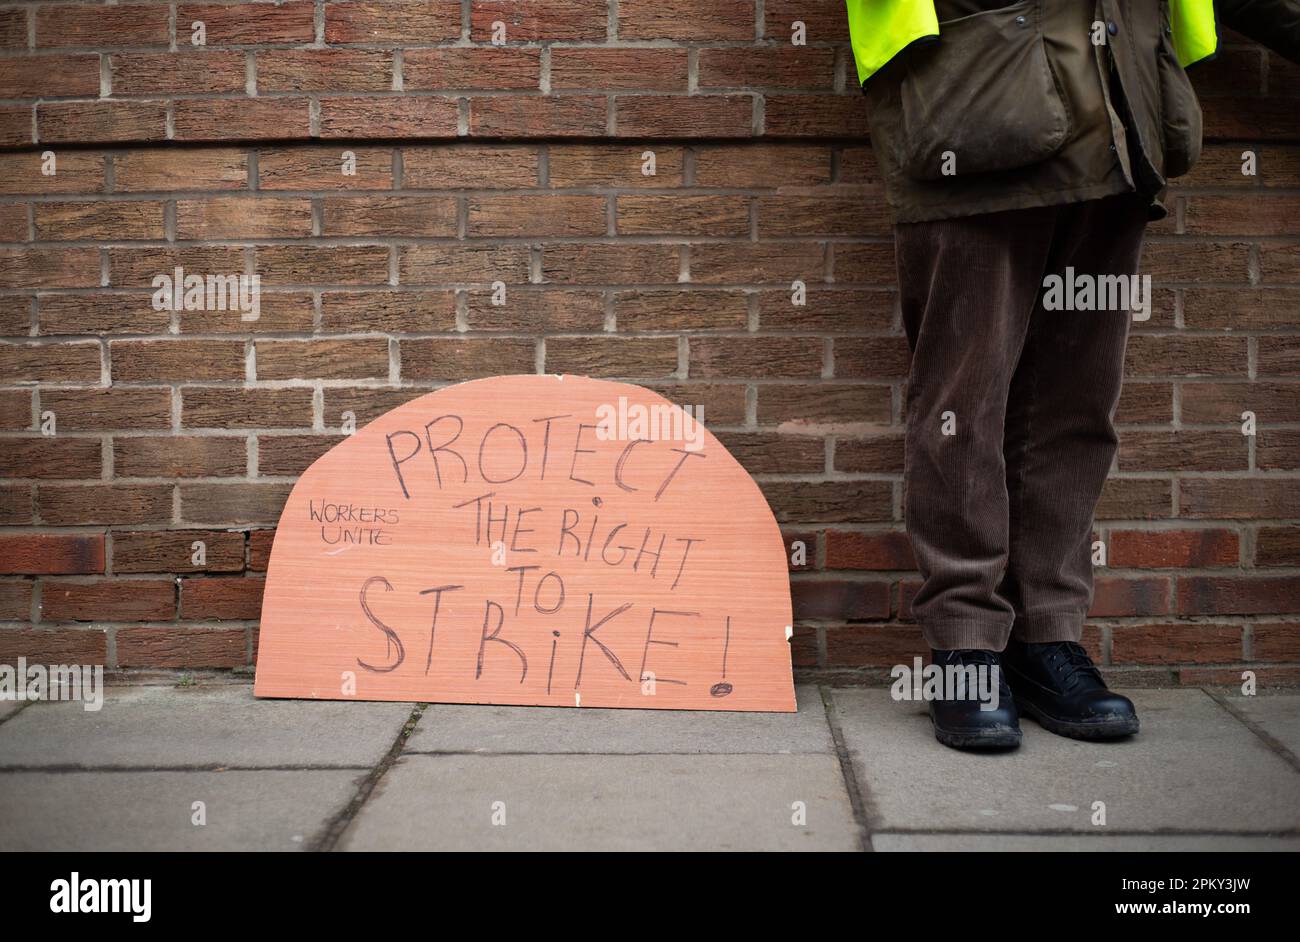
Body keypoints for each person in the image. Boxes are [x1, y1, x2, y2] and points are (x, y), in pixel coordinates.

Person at [845, 0, 1300, 750]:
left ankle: (1046, 638)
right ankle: (966, 643)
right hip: (975, 102)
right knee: (964, 404)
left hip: (1120, 114)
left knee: (1077, 407)